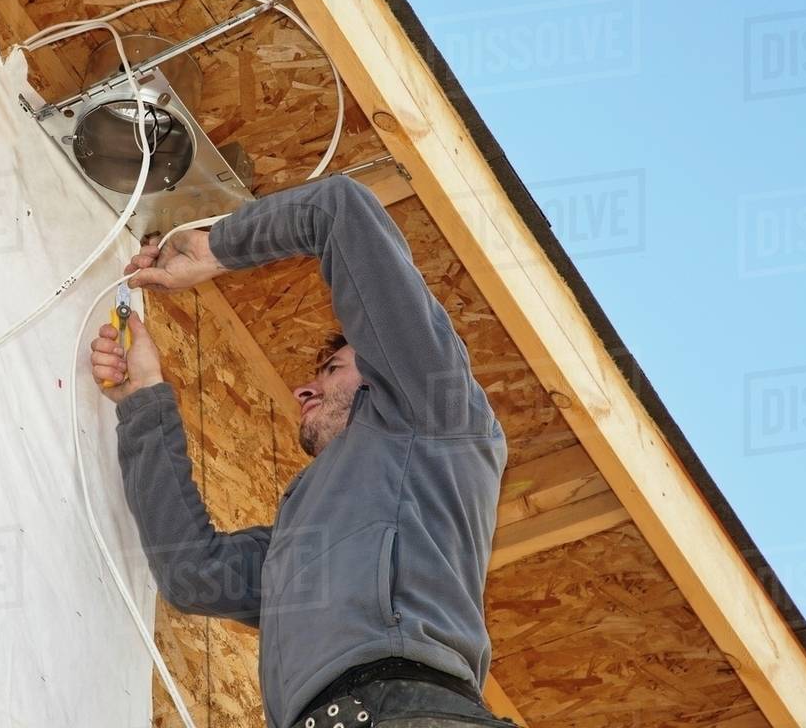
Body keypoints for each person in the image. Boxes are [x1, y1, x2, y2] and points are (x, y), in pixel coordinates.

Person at [89, 176, 513, 728]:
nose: (303, 391)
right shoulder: (303, 541)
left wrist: (214, 248)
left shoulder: (435, 410)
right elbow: (193, 573)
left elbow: (340, 210)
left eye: (332, 369)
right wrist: (143, 397)